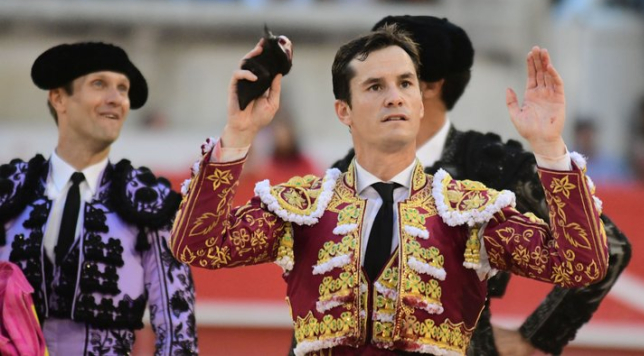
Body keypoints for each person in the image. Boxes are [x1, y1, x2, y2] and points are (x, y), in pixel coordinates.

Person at [171, 25, 609, 354]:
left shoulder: (468, 211)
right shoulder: (303, 208)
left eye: (405, 84)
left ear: (421, 103)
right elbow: (197, 245)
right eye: (375, 87)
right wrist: (238, 132)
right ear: (344, 111)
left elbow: (581, 265)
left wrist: (549, 147)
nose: (395, 97)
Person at [323, 16, 632, 355]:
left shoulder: (489, 164)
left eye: (399, 79)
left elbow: (606, 248)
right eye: (373, 84)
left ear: (428, 87)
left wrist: (536, 338)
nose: (386, 94)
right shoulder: (346, 172)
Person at [0, 43, 197, 354]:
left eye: (123, 88)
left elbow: (177, 334)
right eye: (99, 84)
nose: (116, 98)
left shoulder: (149, 204)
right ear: (59, 97)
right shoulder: (9, 193)